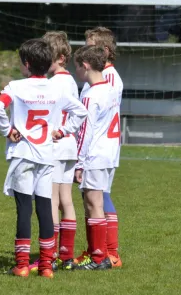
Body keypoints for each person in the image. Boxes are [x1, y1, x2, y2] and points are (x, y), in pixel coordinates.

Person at [0, 39, 88, 278]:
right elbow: (80, 112)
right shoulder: (57, 89)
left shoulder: (16, 86)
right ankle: (46, 266)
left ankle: (22, 265)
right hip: (47, 156)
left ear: (26, 64)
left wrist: (7, 130)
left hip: (24, 154)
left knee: (24, 209)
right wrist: (62, 131)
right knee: (45, 208)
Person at [28, 31, 80, 273]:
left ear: (59, 57)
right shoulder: (70, 81)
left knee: (50, 201)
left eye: (47, 57)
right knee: (66, 201)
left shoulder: (54, 83)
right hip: (70, 146)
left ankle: (48, 257)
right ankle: (65, 256)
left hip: (56, 146)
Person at [75, 27, 123, 268]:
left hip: (98, 149)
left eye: (90, 46)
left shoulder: (106, 80)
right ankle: (101, 252)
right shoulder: (105, 81)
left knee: (98, 200)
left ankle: (106, 254)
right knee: (96, 199)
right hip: (104, 147)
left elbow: (91, 122)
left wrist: (79, 159)